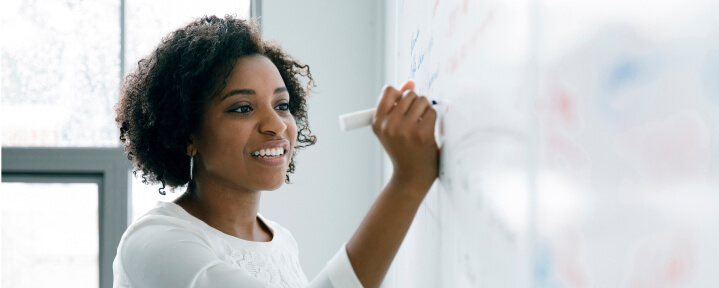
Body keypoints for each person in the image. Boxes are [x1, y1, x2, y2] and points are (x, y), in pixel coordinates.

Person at [113, 15, 438, 288]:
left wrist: (410, 181)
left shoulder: (279, 241)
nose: (277, 125)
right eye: (242, 108)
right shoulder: (155, 242)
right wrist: (407, 182)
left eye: (282, 105)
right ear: (186, 133)